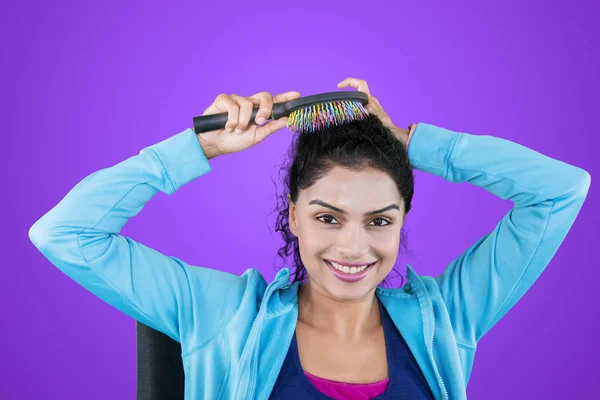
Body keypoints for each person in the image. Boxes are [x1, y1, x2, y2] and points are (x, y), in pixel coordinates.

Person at [28, 77, 591, 400]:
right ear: (292, 215)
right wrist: (200, 147)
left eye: (379, 220)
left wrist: (406, 142)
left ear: (402, 220)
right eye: (327, 218)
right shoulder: (220, 313)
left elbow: (562, 190)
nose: (353, 247)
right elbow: (65, 232)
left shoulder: (449, 317)